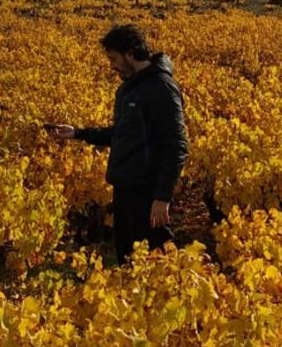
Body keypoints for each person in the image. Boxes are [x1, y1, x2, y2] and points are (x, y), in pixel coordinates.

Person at [49, 24, 188, 265]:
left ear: (131, 53)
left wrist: (162, 197)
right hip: (125, 188)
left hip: (148, 193)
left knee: (158, 264)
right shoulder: (127, 89)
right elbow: (121, 134)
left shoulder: (161, 88)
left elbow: (177, 145)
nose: (112, 65)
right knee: (127, 261)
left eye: (114, 58)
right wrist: (78, 134)